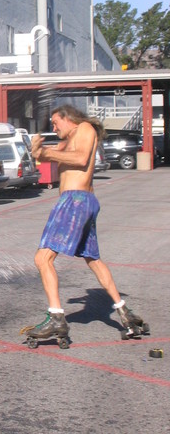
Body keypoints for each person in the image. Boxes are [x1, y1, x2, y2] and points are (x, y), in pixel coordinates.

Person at [24, 104, 147, 344]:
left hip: (74, 201)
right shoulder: (67, 140)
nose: (53, 126)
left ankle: (57, 318)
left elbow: (80, 159)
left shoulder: (84, 129)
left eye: (55, 121)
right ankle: (125, 313)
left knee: (43, 258)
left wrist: (46, 153)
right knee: (93, 259)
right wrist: (37, 150)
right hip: (82, 202)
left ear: (67, 118)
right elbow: (49, 154)